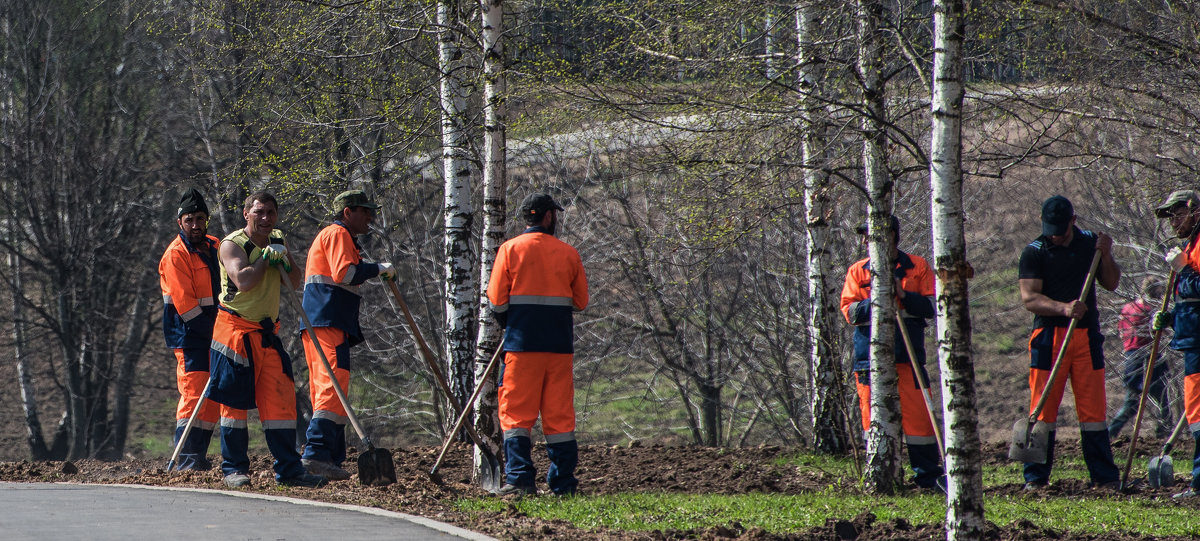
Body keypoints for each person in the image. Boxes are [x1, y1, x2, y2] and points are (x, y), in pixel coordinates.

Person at [207, 191, 327, 488]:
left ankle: (289, 470)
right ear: (246, 213)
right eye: (258, 212)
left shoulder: (277, 239)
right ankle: (233, 469)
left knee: (280, 402)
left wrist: (285, 259)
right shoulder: (232, 244)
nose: (265, 218)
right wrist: (264, 258)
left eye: (270, 213)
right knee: (234, 406)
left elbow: (295, 281)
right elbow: (244, 281)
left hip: (266, 333)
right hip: (234, 333)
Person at [487, 192, 588, 497]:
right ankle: (563, 484)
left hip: (521, 346)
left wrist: (513, 324)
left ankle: (520, 480)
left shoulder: (509, 250)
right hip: (558, 348)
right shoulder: (569, 253)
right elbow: (581, 302)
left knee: (516, 416)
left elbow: (496, 301)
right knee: (559, 418)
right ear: (547, 217)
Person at [1017, 195, 1121, 490]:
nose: (1055, 235)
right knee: (1042, 410)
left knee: (1093, 412)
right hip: (1048, 339)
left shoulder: (1091, 244)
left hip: (1087, 337)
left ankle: (1104, 478)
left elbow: (1111, 283)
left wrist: (1107, 255)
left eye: (1060, 230)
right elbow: (1030, 299)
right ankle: (1035, 479)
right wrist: (1064, 308)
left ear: (1073, 222)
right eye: (1050, 229)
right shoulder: (1034, 251)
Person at [839, 214, 944, 490]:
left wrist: (903, 296)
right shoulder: (857, 271)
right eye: (864, 235)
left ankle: (928, 477)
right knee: (871, 420)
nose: (864, 240)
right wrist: (877, 299)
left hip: (909, 359)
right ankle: (881, 477)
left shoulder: (917, 267)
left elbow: (933, 307)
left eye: (870, 235)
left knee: (920, 421)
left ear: (891, 236)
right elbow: (849, 312)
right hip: (868, 363)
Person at [299, 190, 395, 481]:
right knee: (332, 385)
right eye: (364, 211)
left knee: (328, 389)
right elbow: (346, 274)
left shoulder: (338, 237)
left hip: (322, 322)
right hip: (327, 321)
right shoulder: (337, 234)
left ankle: (328, 457)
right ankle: (316, 454)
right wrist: (379, 268)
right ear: (346, 212)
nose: (370, 217)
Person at [158, 188, 243, 470]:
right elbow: (187, 308)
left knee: (210, 398)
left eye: (200, 219)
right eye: (190, 219)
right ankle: (185, 458)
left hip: (215, 331)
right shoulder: (175, 256)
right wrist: (217, 331)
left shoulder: (216, 245)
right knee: (194, 394)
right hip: (190, 335)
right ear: (180, 222)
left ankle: (197, 457)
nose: (195, 225)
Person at [1151, 189, 1200, 498]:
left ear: (1195, 211)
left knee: (1199, 416)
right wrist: (1170, 318)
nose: (1173, 221)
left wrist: (1184, 268)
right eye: (1170, 216)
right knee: (1196, 415)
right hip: (1192, 338)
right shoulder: (1189, 246)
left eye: (1178, 213)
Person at [1108, 276, 1172, 440]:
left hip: (1131, 356)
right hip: (1149, 355)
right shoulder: (1151, 309)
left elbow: (1122, 332)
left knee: (1132, 401)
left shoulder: (1128, 308)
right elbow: (1160, 331)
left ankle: (1111, 432)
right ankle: (1164, 433)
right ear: (1155, 290)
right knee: (1162, 397)